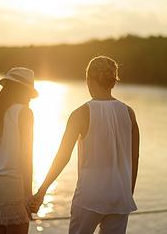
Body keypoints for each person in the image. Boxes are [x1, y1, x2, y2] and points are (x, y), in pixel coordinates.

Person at [31, 56, 140, 234]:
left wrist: (42, 191)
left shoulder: (81, 113)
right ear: (113, 82)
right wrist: (128, 193)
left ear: (88, 80)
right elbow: (134, 158)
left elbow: (63, 156)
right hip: (120, 197)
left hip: (90, 197)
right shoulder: (129, 113)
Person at [0, 67, 38, 234]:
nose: (30, 100)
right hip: (12, 185)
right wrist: (28, 194)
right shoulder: (24, 113)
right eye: (29, 94)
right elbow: (26, 157)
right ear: (21, 90)